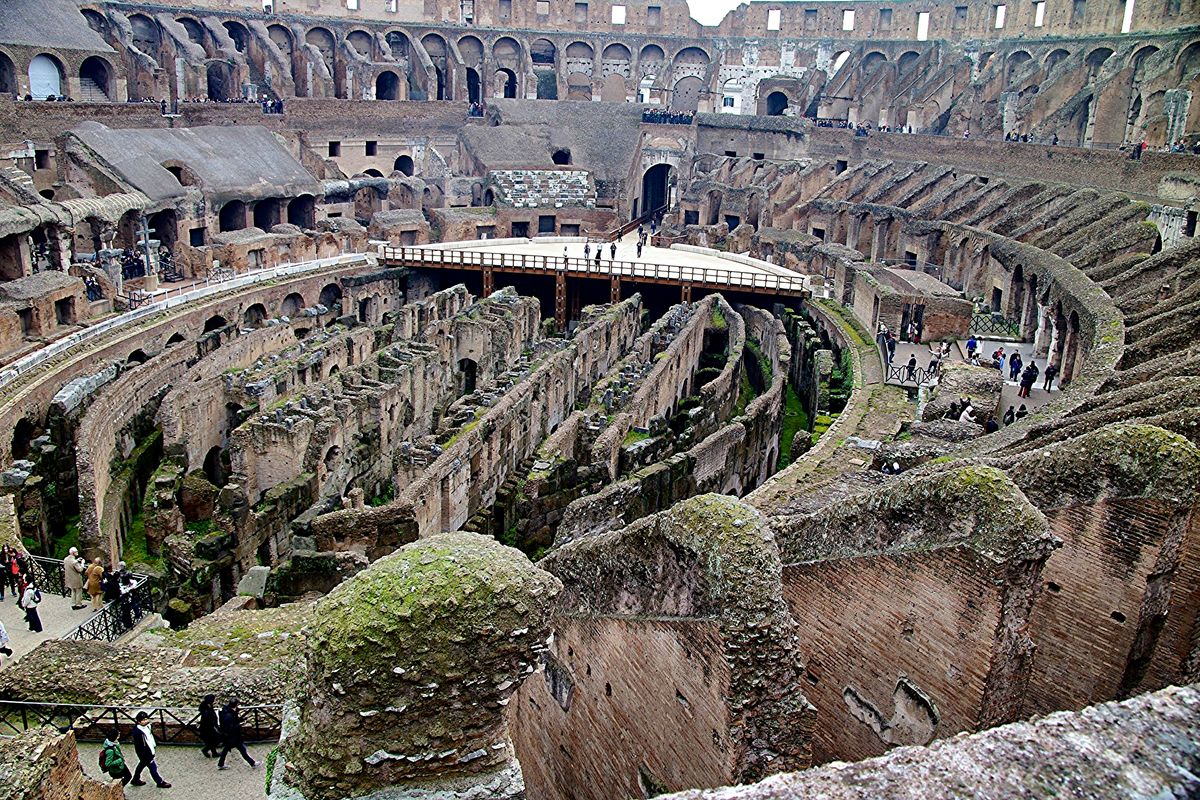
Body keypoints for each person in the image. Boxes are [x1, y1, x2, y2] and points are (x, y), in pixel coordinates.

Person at [131, 712, 171, 787]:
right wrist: (147, 755)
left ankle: (135, 779)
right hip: (145, 753)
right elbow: (140, 746)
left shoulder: (148, 726)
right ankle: (160, 782)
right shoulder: (137, 733)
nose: (146, 721)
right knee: (153, 768)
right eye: (143, 720)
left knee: (141, 765)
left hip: (150, 750)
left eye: (146, 719)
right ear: (139, 722)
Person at [217, 699, 258, 770]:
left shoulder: (227, 711)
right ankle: (252, 763)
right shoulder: (229, 715)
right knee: (242, 749)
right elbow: (231, 727)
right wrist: (239, 725)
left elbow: (233, 721)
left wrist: (241, 719)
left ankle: (220, 764)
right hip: (232, 736)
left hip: (229, 736)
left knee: (226, 749)